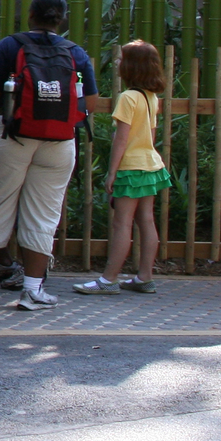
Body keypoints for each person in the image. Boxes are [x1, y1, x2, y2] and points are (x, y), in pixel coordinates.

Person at [0, 0, 98, 309]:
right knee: (44, 215)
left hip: (10, 135)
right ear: (62, 19)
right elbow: (92, 102)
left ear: (30, 15)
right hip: (59, 142)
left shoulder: (10, 45)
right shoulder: (76, 52)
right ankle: (32, 289)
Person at [76, 40, 168, 295]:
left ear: (131, 66)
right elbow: (150, 133)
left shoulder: (128, 98)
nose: (116, 63)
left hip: (130, 168)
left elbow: (121, 139)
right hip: (150, 165)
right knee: (147, 221)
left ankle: (108, 279)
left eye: (120, 59)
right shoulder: (151, 97)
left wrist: (112, 171)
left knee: (122, 224)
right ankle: (145, 276)